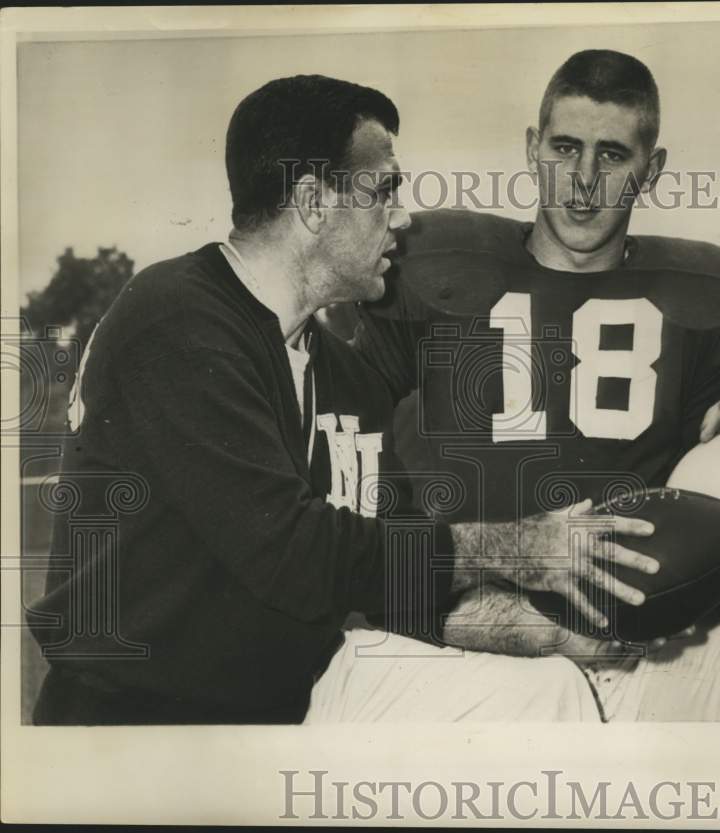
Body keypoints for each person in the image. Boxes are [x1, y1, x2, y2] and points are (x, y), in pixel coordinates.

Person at [26, 74, 659, 725]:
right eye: (383, 190)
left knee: (549, 690)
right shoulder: (176, 318)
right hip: (136, 725)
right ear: (313, 202)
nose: (402, 216)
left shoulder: (347, 377)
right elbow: (293, 553)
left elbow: (403, 583)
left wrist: (553, 634)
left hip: (284, 704)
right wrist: (521, 546)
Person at [308, 50, 720, 722]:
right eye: (566, 148)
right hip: (461, 632)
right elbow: (349, 480)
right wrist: (500, 619)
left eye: (613, 154)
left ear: (652, 169)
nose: (585, 181)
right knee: (542, 699)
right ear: (532, 149)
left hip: (635, 649)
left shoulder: (711, 300)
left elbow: (717, 487)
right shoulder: (430, 265)